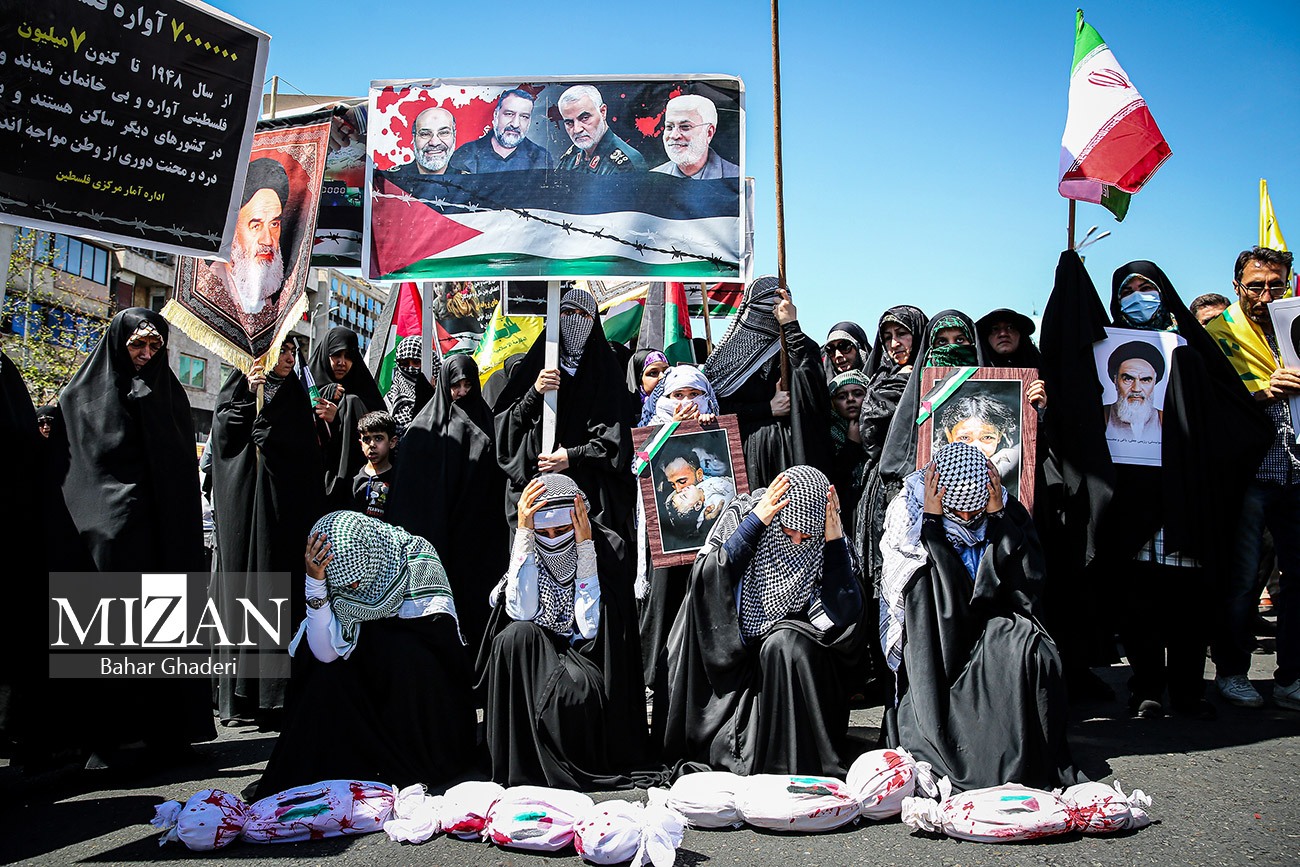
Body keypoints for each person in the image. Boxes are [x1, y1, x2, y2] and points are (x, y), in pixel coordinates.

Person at [1039, 253, 1270, 720]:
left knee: (1188, 595)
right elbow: (1070, 367)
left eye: (1146, 287)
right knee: (1136, 597)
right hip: (1128, 495)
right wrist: (1070, 271)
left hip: (1183, 493)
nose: (1137, 297)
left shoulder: (1187, 347)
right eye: (1126, 290)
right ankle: (1145, 686)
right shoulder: (1102, 349)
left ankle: (1188, 690)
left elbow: (1224, 407)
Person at [42, 308, 215, 767]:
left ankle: (163, 732)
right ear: (119, 343)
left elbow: (179, 470)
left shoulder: (169, 396)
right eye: (138, 344)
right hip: (107, 535)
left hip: (161, 537)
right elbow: (76, 470)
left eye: (155, 346)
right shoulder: (80, 395)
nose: (145, 353)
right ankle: (106, 738)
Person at [879, 443, 1081, 791]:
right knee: (925, 582)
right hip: (941, 639)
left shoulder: (1002, 506)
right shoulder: (909, 518)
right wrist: (933, 525)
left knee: (1031, 650)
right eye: (958, 513)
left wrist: (1000, 520)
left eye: (975, 514)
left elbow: (1024, 587)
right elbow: (935, 600)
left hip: (991, 620)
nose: (968, 520)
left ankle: (1019, 755)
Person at [655, 466, 865, 776]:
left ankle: (794, 756)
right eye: (788, 532)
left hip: (792, 676)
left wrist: (833, 544)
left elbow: (845, 616)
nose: (797, 542)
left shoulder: (831, 536)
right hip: (734, 674)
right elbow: (707, 582)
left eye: (807, 537)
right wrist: (756, 523)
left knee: (785, 642)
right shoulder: (743, 514)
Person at [253, 511, 477, 797]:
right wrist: (316, 584)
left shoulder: (415, 559)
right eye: (346, 584)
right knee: (321, 671)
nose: (354, 589)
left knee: (405, 653)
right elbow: (325, 654)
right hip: (364, 694)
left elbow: (442, 646)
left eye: (356, 580)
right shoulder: (333, 577)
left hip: (414, 706)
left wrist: (377, 643)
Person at [478, 474, 646, 788]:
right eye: (544, 532)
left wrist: (584, 548)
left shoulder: (609, 548)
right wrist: (525, 536)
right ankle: (522, 765)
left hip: (585, 658)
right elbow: (522, 612)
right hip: (537, 654)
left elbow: (591, 628)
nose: (552, 540)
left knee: (570, 691)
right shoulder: (528, 545)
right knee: (514, 637)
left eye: (561, 530)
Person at [208, 338, 325, 726]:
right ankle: (240, 697)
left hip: (282, 517)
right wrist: (247, 398)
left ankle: (276, 695)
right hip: (246, 511)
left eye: (293, 352)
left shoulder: (296, 395)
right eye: (282, 352)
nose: (289, 359)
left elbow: (307, 454)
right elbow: (224, 436)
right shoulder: (241, 386)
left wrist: (277, 442)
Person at [1205, 246, 1300, 711]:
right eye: (1255, 285)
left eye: (1276, 285)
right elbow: (1207, 402)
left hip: (1297, 473)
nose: (1265, 295)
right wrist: (1262, 393)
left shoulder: (1295, 329)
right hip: (1250, 476)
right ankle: (1232, 671)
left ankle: (1291, 677)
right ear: (1236, 285)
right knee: (1242, 580)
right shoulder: (1217, 336)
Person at [856, 310, 984, 594]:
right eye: (942, 342)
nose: (951, 348)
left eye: (960, 340)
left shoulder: (993, 388)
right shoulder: (911, 389)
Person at [387, 351, 508, 652]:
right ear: (444, 385)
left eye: (468, 385)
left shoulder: (488, 424)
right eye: (456, 386)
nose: (462, 392)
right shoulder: (422, 430)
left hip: (477, 543)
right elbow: (410, 494)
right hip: (436, 541)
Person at [494, 287, 636, 540]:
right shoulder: (538, 366)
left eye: (583, 315)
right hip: (537, 488)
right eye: (567, 313)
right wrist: (535, 392)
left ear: (594, 322)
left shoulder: (606, 375)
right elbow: (507, 424)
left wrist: (572, 456)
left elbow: (616, 442)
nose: (574, 321)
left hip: (588, 495)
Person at [701, 276, 832, 489]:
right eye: (764, 308)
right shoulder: (726, 359)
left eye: (777, 309)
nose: (770, 316)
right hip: (744, 458)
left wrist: (790, 327)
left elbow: (814, 393)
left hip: (789, 457)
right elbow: (717, 409)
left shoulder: (797, 348)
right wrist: (767, 408)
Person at [308, 327, 386, 510]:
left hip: (353, 488)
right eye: (336, 355)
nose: (342, 362)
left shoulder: (364, 392)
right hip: (311, 482)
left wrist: (341, 415)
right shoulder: (305, 388)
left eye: (348, 356)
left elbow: (380, 428)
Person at [210, 158, 290, 317]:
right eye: (256, 226)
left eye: (274, 224)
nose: (267, 240)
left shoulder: (275, 296)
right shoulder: (210, 284)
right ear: (232, 229)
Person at [447, 88, 555, 173]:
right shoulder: (466, 154)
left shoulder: (541, 157)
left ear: (529, 121)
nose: (515, 124)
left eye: (524, 117)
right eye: (509, 114)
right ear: (496, 115)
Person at [936, 392, 1020, 493]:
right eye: (965, 438)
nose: (976, 448)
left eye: (987, 437)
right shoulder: (934, 467)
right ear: (949, 435)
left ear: (1000, 435)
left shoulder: (1013, 459)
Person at [555, 85, 647, 174]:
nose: (577, 130)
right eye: (569, 123)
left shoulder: (626, 165)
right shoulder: (571, 157)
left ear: (603, 112)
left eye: (585, 118)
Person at [649, 94, 739, 180]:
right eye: (669, 127)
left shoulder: (737, 178)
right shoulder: (652, 179)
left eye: (685, 127)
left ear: (709, 133)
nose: (674, 135)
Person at [975, 308, 1047, 408]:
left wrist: (1042, 407)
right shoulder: (972, 377)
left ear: (1020, 334)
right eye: (995, 329)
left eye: (1010, 327)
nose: (1003, 334)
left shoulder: (1044, 374)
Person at [828, 370, 869, 534]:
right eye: (842, 396)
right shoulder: (828, 434)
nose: (850, 399)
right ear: (832, 403)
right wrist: (851, 444)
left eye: (857, 394)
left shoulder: (881, 427)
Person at [1101, 341, 1165, 442]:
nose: (1136, 389)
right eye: (1128, 379)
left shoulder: (1165, 419)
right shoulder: (1101, 415)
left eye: (1145, 380)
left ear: (1154, 382)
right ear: (1116, 381)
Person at [390, 106, 464, 176]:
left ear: (454, 136)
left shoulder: (468, 181)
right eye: (425, 134)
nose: (434, 143)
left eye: (444, 133)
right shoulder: (389, 180)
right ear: (414, 137)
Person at [386, 335, 436, 437]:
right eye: (404, 363)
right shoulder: (391, 398)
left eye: (416, 362)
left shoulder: (445, 395)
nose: (410, 368)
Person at [353, 411, 398, 521]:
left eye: (378, 438)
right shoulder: (353, 478)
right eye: (367, 439)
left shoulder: (397, 479)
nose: (372, 445)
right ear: (361, 444)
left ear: (392, 442)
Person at [626, 348, 669, 424]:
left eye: (666, 371)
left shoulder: (681, 403)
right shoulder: (627, 415)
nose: (662, 376)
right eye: (653, 373)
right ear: (639, 380)